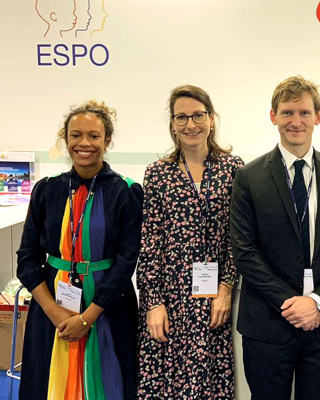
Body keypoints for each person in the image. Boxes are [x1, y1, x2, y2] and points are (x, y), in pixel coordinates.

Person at [230, 75, 320, 400]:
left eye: (304, 112)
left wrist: (316, 301)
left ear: (318, 116)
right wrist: (291, 303)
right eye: (287, 112)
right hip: (267, 321)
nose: (296, 121)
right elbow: (244, 251)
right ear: (273, 116)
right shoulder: (249, 177)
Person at [16, 101, 142, 399]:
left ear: (107, 141)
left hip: (109, 307)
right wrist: (55, 313)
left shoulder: (126, 191)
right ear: (66, 139)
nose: (84, 143)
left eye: (93, 136)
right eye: (75, 135)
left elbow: (126, 262)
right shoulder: (46, 189)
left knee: (111, 383)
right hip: (52, 309)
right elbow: (27, 258)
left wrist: (87, 318)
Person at [136, 85, 243, 399]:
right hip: (171, 297)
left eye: (198, 115)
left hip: (215, 299)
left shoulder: (233, 169)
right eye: (181, 117)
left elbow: (238, 236)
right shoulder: (158, 173)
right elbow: (150, 241)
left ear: (211, 118)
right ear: (172, 123)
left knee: (210, 380)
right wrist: (153, 302)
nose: (190, 124)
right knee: (166, 382)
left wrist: (226, 287)